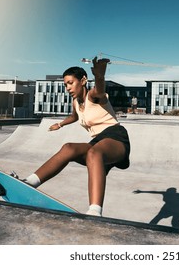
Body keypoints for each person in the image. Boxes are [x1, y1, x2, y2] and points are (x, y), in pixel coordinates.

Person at [23, 57, 131, 217]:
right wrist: (59, 125)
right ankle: (30, 182)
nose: (67, 87)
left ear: (83, 81)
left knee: (94, 152)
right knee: (69, 148)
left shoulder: (93, 96)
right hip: (97, 141)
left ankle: (95, 211)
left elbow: (99, 90)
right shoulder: (76, 102)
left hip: (115, 137)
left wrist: (100, 76)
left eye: (70, 83)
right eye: (65, 84)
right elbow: (74, 117)